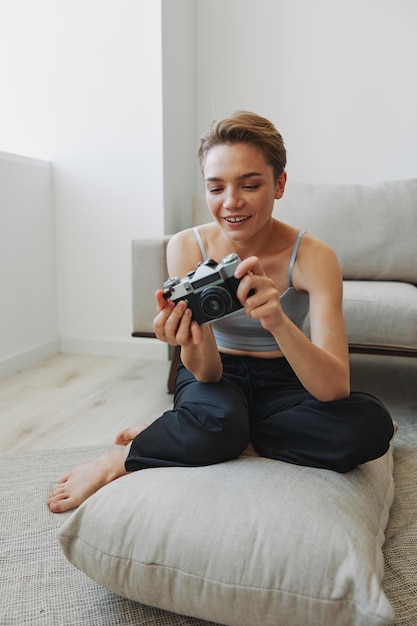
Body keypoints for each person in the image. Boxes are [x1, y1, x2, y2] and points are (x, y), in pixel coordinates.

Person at [48, 111, 394, 513]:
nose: (231, 203)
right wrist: (188, 338)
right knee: (219, 414)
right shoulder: (187, 246)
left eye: (250, 184)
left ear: (279, 184)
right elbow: (207, 373)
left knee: (370, 425)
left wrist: (278, 321)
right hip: (217, 377)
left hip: (287, 379)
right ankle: (121, 461)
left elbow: (333, 388)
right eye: (216, 188)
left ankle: (205, 433)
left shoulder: (314, 256)